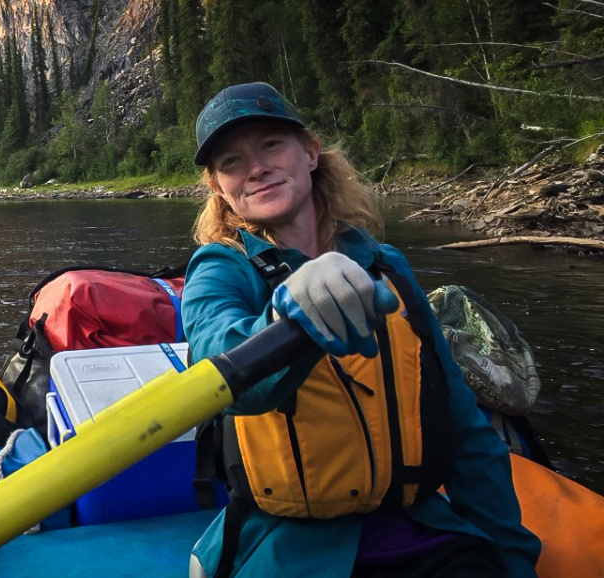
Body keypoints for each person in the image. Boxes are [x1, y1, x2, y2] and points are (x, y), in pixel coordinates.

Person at [180, 82, 541, 578]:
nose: (256, 168)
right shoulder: (220, 269)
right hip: (291, 544)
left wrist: (513, 558)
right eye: (231, 161)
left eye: (270, 145)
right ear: (219, 188)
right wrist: (286, 315)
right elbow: (216, 368)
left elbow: (464, 427)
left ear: (309, 153)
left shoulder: (386, 265)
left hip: (415, 526)